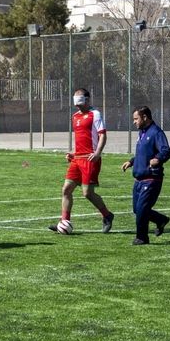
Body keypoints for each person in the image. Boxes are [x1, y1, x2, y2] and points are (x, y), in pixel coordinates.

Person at [48, 88, 114, 234]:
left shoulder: (95, 114)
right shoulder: (75, 116)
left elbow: (102, 135)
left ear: (88, 100)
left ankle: (107, 216)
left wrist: (97, 153)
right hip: (77, 159)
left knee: (87, 193)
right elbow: (80, 139)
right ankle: (64, 222)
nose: (77, 105)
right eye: (75, 102)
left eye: (80, 101)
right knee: (66, 189)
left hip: (90, 159)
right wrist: (73, 153)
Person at [121, 106, 170, 245]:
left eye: (136, 119)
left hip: (151, 178)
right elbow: (142, 153)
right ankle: (160, 220)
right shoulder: (142, 133)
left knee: (142, 209)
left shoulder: (156, 132)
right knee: (137, 210)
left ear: (145, 117)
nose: (134, 122)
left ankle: (142, 237)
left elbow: (166, 151)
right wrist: (131, 161)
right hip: (139, 178)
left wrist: (158, 159)